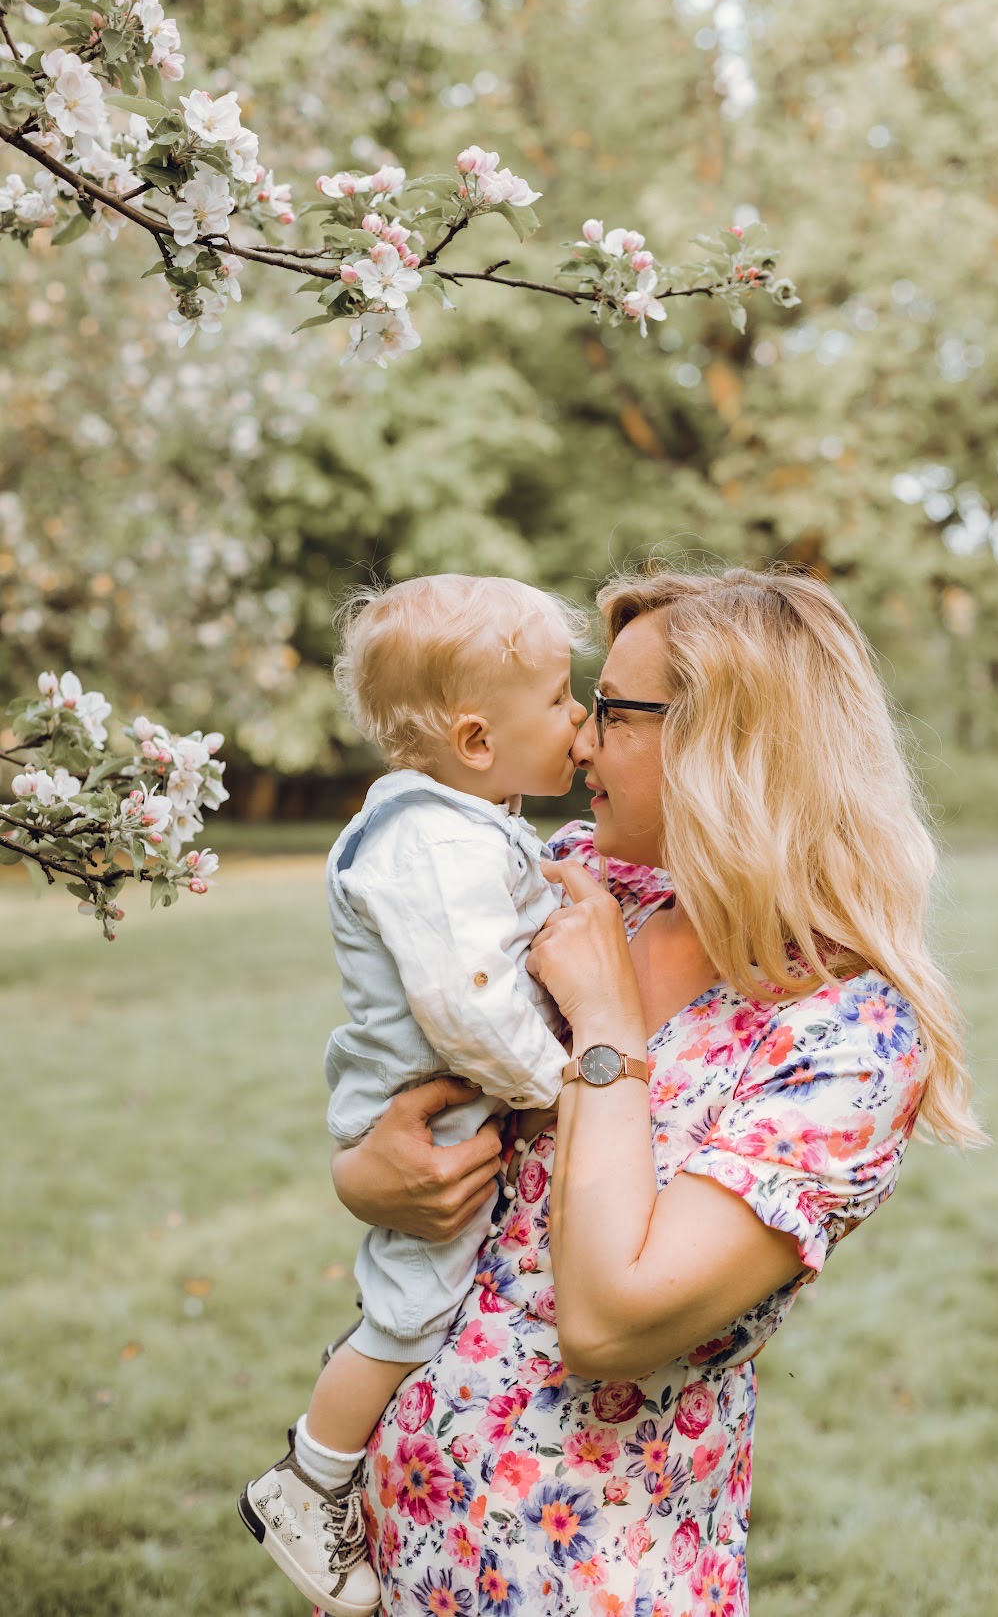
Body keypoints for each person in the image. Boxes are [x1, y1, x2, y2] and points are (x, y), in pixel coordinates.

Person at [327, 564, 986, 1616]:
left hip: (582, 1574)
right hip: (397, 1534)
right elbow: (407, 1069)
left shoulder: (847, 1038)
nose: (581, 743)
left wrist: (605, 1021)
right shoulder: (579, 876)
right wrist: (368, 1174)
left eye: (610, 711)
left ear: (723, 743)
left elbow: (610, 1322)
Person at [239, 574, 589, 1616]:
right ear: (477, 740)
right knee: (407, 1311)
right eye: (561, 700)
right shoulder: (434, 844)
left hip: (437, 1104)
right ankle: (308, 1481)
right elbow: (469, 1003)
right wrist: (564, 1090)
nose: (579, 718)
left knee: (415, 1298)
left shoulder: (465, 821)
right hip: (427, 1115)